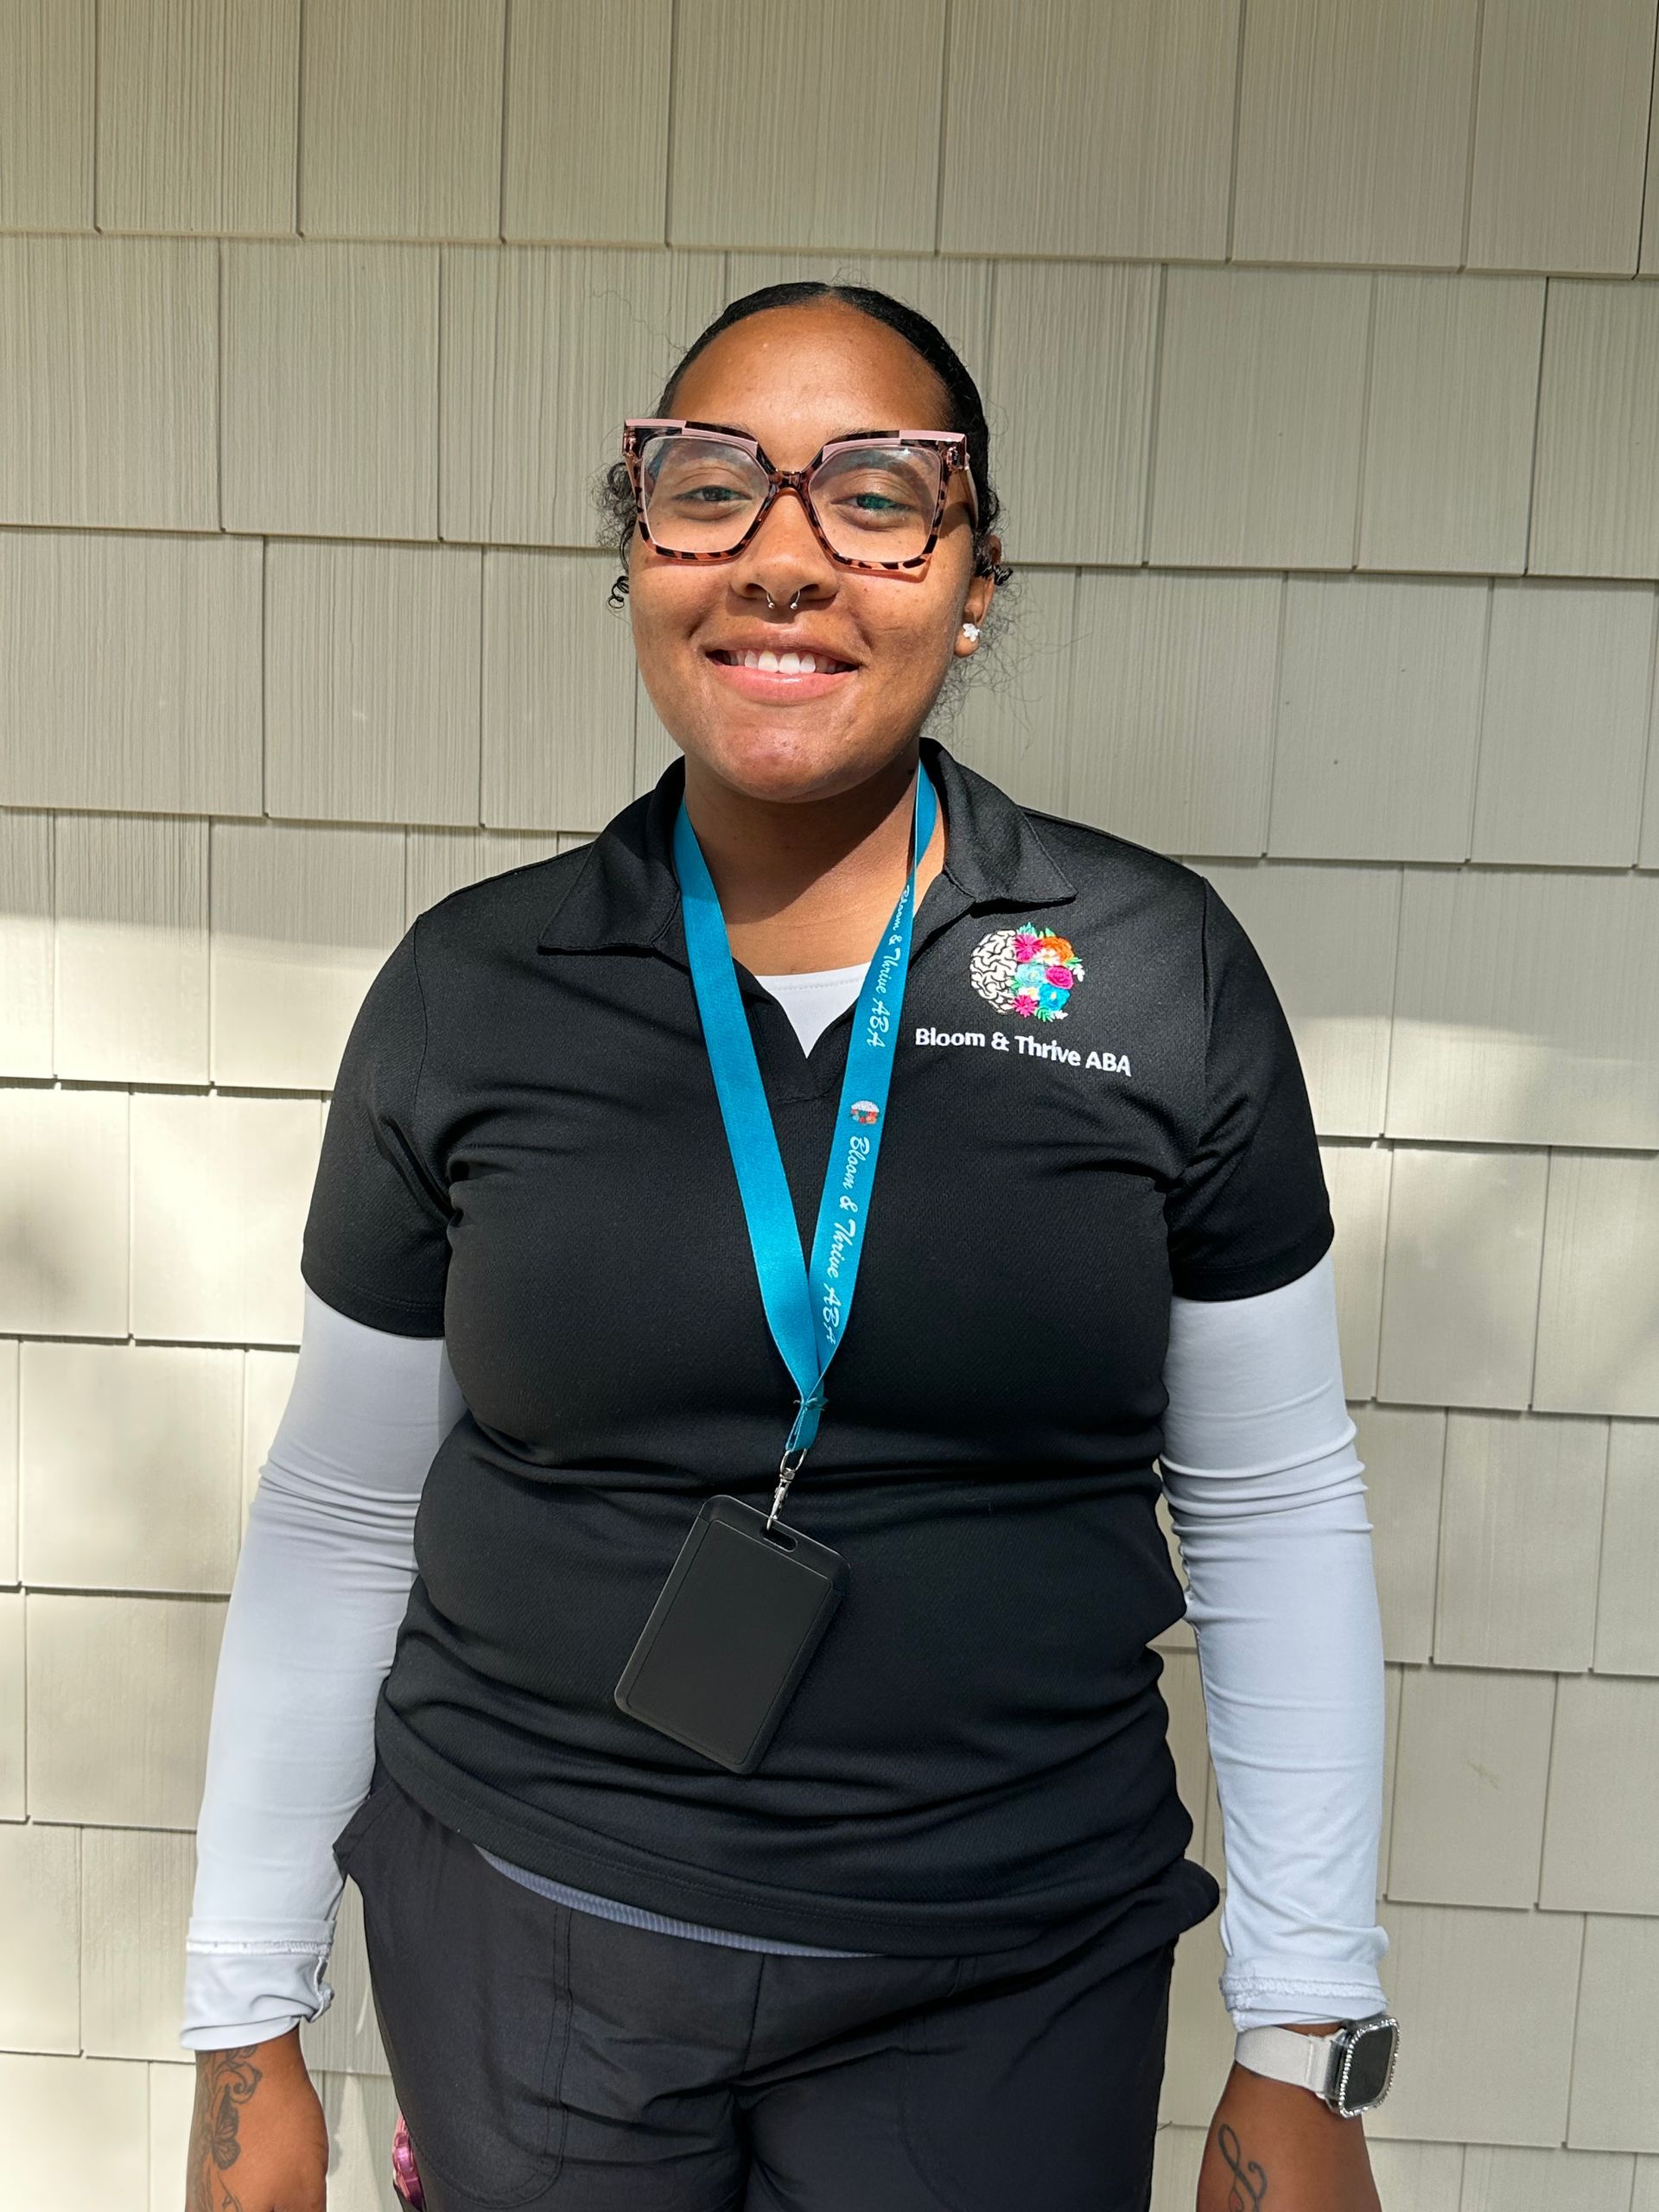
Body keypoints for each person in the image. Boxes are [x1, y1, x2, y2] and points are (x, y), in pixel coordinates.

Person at [179, 283, 1393, 2212]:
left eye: (882, 493)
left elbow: (1272, 1499)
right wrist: (243, 2024)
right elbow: (339, 1506)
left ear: (975, 574)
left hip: (1006, 1970)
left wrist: (1308, 2031)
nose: (786, 558)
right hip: (528, 1932)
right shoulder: (472, 988)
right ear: (639, 552)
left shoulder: (1154, 972)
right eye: (710, 485)